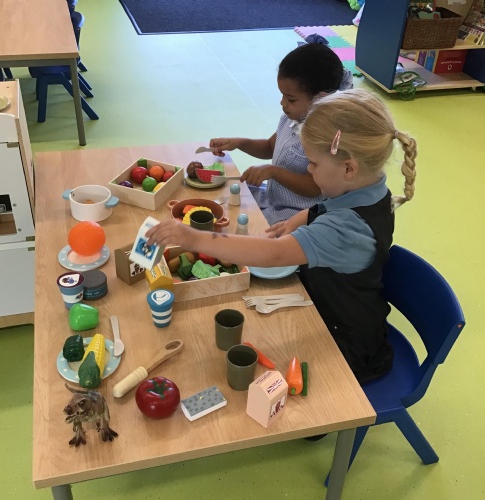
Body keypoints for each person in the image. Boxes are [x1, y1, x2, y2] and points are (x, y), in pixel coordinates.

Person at [146, 88, 417, 385]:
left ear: (348, 168)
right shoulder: (371, 187)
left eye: (313, 163)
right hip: (333, 310)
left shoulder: (346, 231)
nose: (308, 170)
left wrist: (194, 238)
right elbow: (328, 206)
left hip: (347, 347)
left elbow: (273, 254)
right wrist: (299, 218)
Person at [209, 43, 353, 226]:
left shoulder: (327, 138)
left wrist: (273, 171)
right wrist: (240, 143)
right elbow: (270, 147)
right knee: (222, 199)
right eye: (283, 95)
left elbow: (314, 187)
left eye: (291, 99)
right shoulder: (292, 118)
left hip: (295, 215)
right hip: (272, 200)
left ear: (321, 99)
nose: (282, 103)